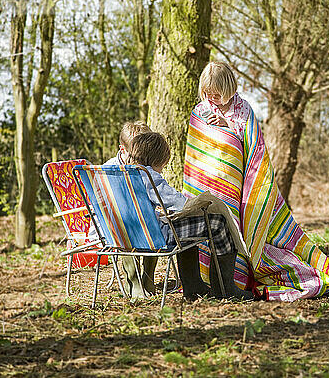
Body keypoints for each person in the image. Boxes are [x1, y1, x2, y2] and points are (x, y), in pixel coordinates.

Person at [184, 62, 329, 301]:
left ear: (229, 88)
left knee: (233, 229)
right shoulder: (199, 110)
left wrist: (228, 130)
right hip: (206, 182)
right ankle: (206, 283)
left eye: (217, 93)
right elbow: (197, 149)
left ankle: (233, 282)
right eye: (208, 92)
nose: (213, 97)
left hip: (236, 184)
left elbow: (255, 150)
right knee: (207, 226)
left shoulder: (243, 110)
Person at [127, 131, 254, 301]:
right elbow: (178, 203)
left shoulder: (122, 175)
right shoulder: (148, 175)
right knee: (218, 223)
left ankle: (194, 286)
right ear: (158, 159)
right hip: (157, 236)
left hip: (129, 237)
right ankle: (225, 288)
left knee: (186, 229)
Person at [101, 121, 155, 298]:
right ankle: (133, 281)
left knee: (153, 221)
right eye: (137, 153)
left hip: (143, 223)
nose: (141, 157)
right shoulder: (108, 170)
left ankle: (148, 277)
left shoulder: (146, 168)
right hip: (115, 226)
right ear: (122, 149)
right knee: (125, 224)